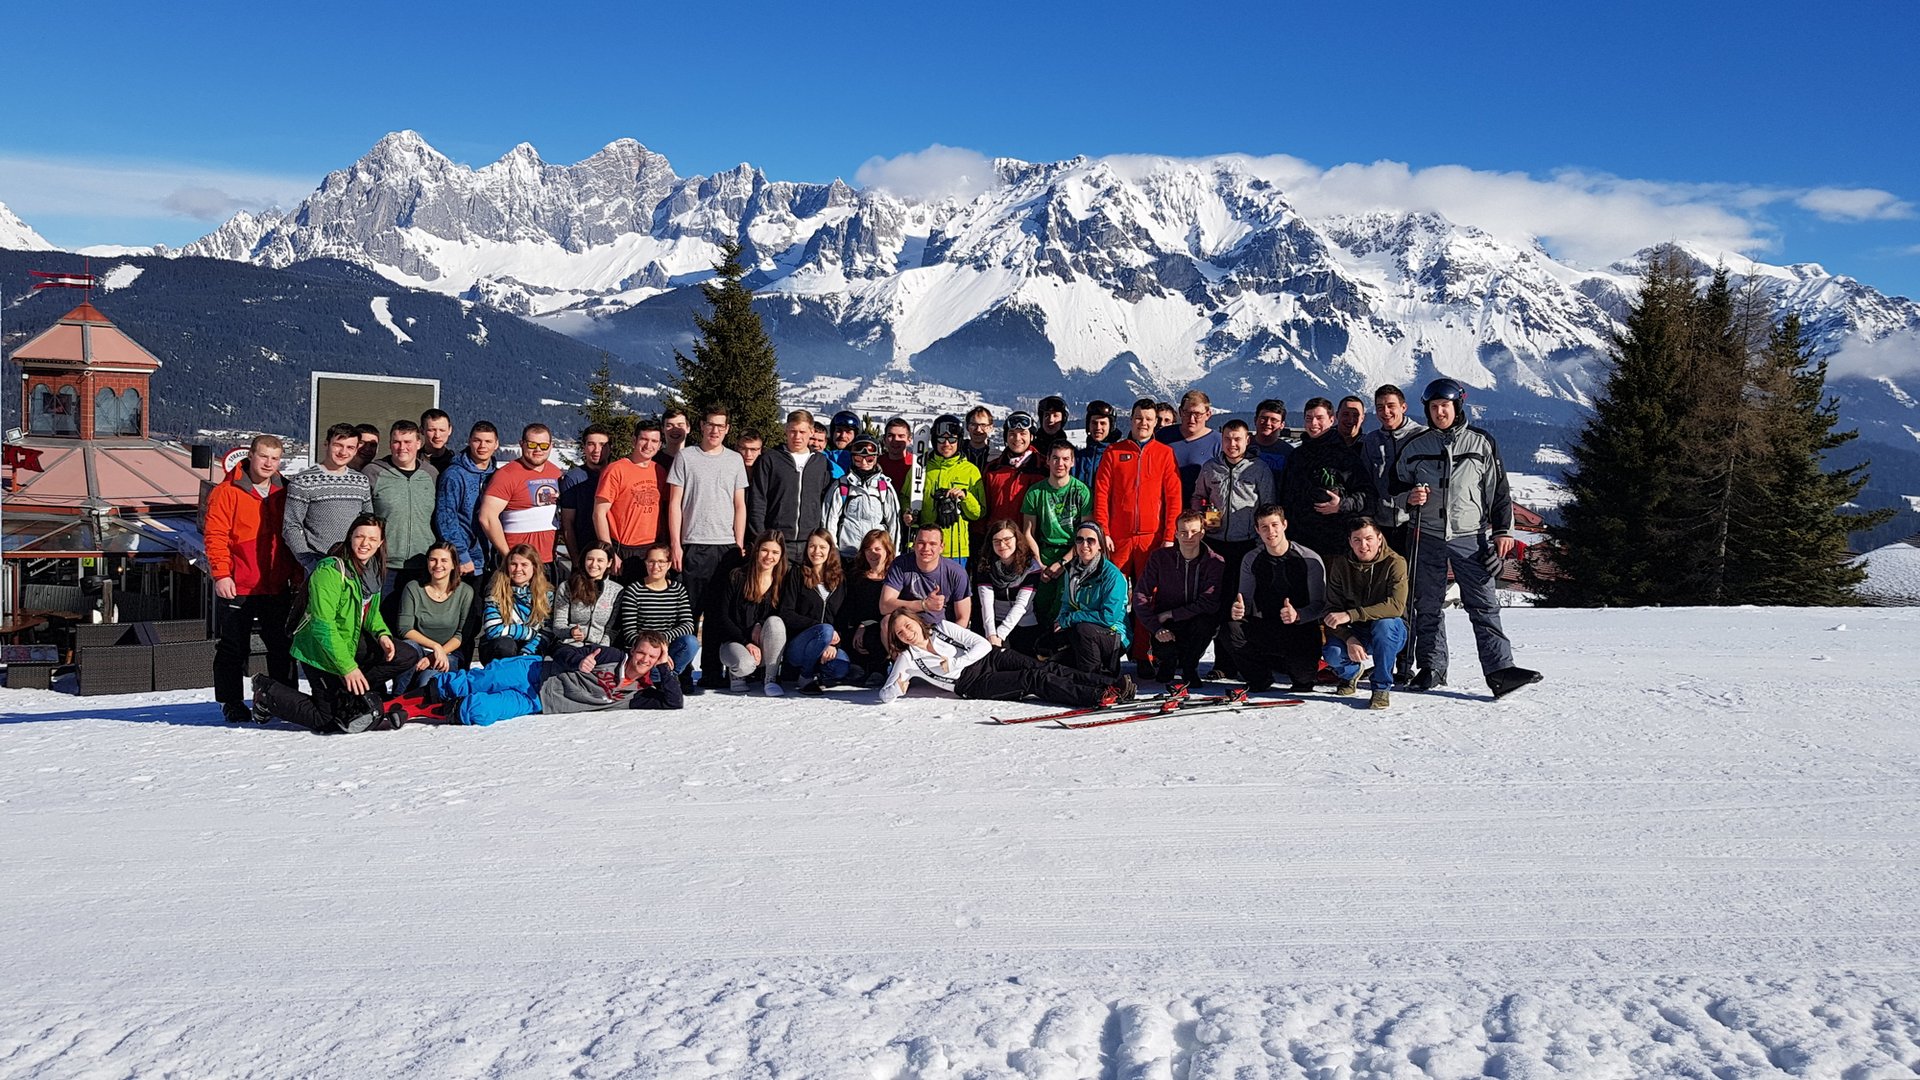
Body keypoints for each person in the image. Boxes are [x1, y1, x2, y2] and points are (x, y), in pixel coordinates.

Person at [1396, 378, 1542, 698]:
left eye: (1445, 406)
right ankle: (1432, 667)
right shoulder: (1416, 447)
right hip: (1426, 535)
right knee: (1427, 605)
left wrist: (1502, 531)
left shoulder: (1481, 443)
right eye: (1434, 407)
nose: (1439, 413)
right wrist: (1409, 497)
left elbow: (1499, 492)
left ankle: (1499, 671)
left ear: (1457, 406)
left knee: (1483, 604)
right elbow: (1395, 488)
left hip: (1470, 537)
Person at [251, 513, 421, 733]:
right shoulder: (330, 571)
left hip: (349, 639)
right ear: (350, 537)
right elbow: (323, 625)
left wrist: (382, 634)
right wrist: (348, 668)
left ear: (380, 543)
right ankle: (267, 692)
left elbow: (371, 613)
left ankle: (349, 693)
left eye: (372, 539)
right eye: (360, 536)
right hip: (319, 648)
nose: (365, 543)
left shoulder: (374, 571)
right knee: (327, 720)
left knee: (406, 655)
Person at [207, 434, 300, 724]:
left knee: (282, 645)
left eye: (275, 458)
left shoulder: (285, 490)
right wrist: (222, 574)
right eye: (263, 457)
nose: (269, 463)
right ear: (251, 455)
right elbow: (215, 536)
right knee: (234, 646)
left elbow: (293, 536)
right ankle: (231, 701)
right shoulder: (227, 491)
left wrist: (297, 576)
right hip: (239, 582)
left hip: (276, 583)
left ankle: (285, 699)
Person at [876, 608, 1130, 709]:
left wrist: (955, 663)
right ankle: (1095, 696)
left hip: (989, 657)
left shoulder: (942, 628)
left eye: (907, 625)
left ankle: (1109, 684)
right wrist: (897, 688)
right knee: (1033, 678)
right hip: (971, 683)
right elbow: (884, 694)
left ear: (916, 621)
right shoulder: (908, 659)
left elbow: (982, 644)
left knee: (1044, 667)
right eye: (900, 633)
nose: (906, 633)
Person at [419, 632, 682, 725]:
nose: (645, 659)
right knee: (475, 681)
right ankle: (411, 701)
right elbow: (560, 650)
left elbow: (673, 702)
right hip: (535, 671)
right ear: (633, 650)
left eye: (652, 657)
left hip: (539, 701)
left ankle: (428, 711)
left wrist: (665, 668)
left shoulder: (638, 694)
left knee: (479, 710)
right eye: (642, 652)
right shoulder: (611, 656)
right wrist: (578, 661)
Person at [668, 409, 750, 689]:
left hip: (725, 548)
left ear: (727, 429)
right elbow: (674, 504)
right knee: (689, 613)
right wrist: (676, 544)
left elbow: (740, 505)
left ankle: (713, 672)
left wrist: (739, 543)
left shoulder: (734, 460)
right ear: (701, 426)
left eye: (720, 426)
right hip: (693, 544)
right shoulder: (686, 457)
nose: (715, 431)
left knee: (718, 614)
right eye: (710, 425)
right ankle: (682, 673)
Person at [1192, 418, 1274, 677]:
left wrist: (1263, 544)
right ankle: (1222, 664)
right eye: (1227, 438)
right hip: (1216, 544)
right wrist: (1202, 512)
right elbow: (1197, 496)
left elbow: (1268, 506)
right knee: (1217, 602)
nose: (1232, 444)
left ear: (1247, 440)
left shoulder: (1258, 469)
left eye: (1237, 439)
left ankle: (1245, 660)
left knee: (1241, 603)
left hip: (1247, 545)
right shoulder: (1211, 468)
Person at [1361, 383, 1426, 682]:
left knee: (1407, 595)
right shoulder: (1371, 441)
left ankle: (1405, 662)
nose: (1385, 412)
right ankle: (1384, 658)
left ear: (1403, 407)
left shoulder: (1421, 437)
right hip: (1381, 527)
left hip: (1412, 525)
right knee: (1381, 593)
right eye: (1380, 407)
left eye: (1391, 406)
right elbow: (1366, 483)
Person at [1225, 504, 1327, 694]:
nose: (1270, 532)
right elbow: (1244, 599)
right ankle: (1260, 677)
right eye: (1264, 527)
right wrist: (1238, 609)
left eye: (1274, 525)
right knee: (1231, 629)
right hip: (1267, 626)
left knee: (1303, 681)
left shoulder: (1308, 558)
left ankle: (1293, 667)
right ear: (1257, 530)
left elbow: (1321, 605)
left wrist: (1298, 615)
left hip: (1300, 628)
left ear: (1284, 525)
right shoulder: (1251, 559)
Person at [1091, 399, 1182, 597]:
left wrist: (1169, 537)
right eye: (1139, 418)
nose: (1144, 423)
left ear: (1155, 422)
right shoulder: (1114, 452)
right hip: (1118, 537)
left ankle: (1144, 620)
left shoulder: (1165, 454)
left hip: (1151, 538)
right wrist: (1103, 531)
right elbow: (1101, 495)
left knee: (1148, 595)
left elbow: (1173, 499)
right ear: (1131, 419)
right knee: (1113, 592)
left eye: (1149, 419)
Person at [1321, 517, 1409, 710]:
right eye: (1357, 540)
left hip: (1391, 630)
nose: (1363, 545)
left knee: (1384, 625)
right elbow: (1331, 610)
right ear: (1350, 542)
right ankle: (1351, 673)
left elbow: (1395, 606)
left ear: (1379, 538)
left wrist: (1351, 615)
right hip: (1356, 630)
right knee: (1333, 653)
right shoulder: (1341, 564)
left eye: (1369, 539)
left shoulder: (1395, 563)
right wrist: (1349, 637)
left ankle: (1381, 687)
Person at [1134, 511, 1225, 688]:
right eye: (1183, 532)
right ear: (1176, 534)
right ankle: (1167, 662)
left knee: (1208, 622)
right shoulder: (1160, 558)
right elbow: (1140, 595)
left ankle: (1190, 667)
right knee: (1164, 648)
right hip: (1166, 623)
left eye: (1194, 532)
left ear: (1202, 533)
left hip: (1194, 621)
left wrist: (1173, 613)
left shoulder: (1214, 562)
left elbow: (1210, 602)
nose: (1188, 537)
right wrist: (1156, 627)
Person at [363, 418, 439, 624]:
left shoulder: (430, 474)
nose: (402, 447)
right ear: (390, 444)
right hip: (384, 564)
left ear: (418, 443)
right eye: (396, 442)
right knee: (381, 622)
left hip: (421, 563)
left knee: (415, 623)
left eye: (407, 442)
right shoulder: (373, 472)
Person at [1278, 397, 1373, 559]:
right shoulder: (1296, 456)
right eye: (1309, 418)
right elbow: (1284, 496)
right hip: (1298, 542)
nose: (1313, 423)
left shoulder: (1345, 457)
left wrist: (1341, 505)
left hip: (1333, 544)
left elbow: (1368, 497)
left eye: (1319, 418)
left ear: (1331, 420)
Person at [282, 422, 373, 573]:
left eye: (350, 447)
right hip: (320, 562)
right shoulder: (303, 481)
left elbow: (369, 521)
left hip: (354, 563)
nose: (343, 452)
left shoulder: (361, 481)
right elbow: (291, 526)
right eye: (338, 445)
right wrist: (308, 562)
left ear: (356, 450)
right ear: (326, 444)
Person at [708, 532, 791, 696]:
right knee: (745, 665)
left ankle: (770, 678)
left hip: (764, 644)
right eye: (765, 550)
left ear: (781, 555)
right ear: (757, 550)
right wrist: (746, 642)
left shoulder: (783, 581)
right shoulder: (737, 576)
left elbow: (784, 614)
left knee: (776, 622)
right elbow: (723, 617)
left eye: (775, 552)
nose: (769, 556)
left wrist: (760, 624)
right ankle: (736, 674)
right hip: (735, 641)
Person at [1045, 521, 1130, 678]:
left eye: (1090, 540)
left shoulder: (1112, 575)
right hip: (1082, 628)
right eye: (1079, 540)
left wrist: (1070, 619)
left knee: (1083, 630)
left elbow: (1108, 617)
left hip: (1113, 634)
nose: (1084, 545)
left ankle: (1098, 678)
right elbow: (1067, 604)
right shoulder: (1071, 571)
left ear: (1100, 545)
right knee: (1049, 644)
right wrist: (1060, 621)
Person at [478, 423, 565, 573]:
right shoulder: (506, 475)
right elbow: (487, 517)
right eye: (532, 444)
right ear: (521, 444)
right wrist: (508, 556)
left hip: (547, 561)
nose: (538, 450)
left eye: (544, 446)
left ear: (551, 446)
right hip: (517, 563)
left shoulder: (555, 473)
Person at [748, 409, 833, 561]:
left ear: (811, 432)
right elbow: (758, 500)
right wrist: (761, 536)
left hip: (810, 542)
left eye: (802, 432)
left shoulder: (820, 462)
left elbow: (824, 500)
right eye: (793, 431)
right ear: (786, 430)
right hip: (776, 540)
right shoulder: (770, 459)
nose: (797, 437)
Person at [611, 544, 699, 690]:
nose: (655, 566)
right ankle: (656, 679)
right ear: (645, 563)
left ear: (669, 564)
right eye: (651, 561)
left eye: (661, 562)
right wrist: (653, 647)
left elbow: (688, 625)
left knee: (691, 642)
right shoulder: (634, 590)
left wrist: (663, 643)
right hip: (643, 651)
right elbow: (629, 632)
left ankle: (667, 678)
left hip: (668, 648)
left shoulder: (678, 590)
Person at [395, 540, 474, 693]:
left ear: (453, 564)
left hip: (449, 653)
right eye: (433, 560)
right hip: (419, 648)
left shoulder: (465, 592)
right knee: (407, 650)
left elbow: (461, 634)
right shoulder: (413, 588)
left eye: (444, 560)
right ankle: (396, 698)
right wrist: (435, 646)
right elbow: (404, 629)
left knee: (426, 683)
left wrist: (436, 654)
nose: (438, 565)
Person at [782, 529, 854, 693]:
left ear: (830, 550)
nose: (816, 551)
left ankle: (819, 674)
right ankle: (806, 677)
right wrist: (820, 629)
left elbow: (844, 619)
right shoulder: (797, 573)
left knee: (841, 668)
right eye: (812, 546)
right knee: (826, 629)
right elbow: (786, 613)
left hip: (828, 643)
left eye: (822, 547)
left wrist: (834, 644)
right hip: (800, 644)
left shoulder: (840, 579)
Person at [594, 421, 666, 584]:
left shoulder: (660, 471)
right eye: (644, 439)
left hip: (652, 549)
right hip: (623, 549)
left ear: (660, 445)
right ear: (634, 440)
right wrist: (609, 552)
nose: (648, 445)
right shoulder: (616, 470)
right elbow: (599, 513)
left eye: (654, 441)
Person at [433, 420, 500, 587]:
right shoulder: (454, 475)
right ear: (469, 442)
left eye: (488, 441)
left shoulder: (497, 476)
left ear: (496, 444)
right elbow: (446, 518)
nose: (482, 446)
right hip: (467, 562)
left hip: (492, 560)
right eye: (477, 440)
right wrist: (461, 555)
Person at [916, 415, 984, 560]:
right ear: (934, 440)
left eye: (952, 439)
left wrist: (965, 496)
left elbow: (978, 513)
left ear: (959, 441)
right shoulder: (920, 468)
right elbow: (906, 497)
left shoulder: (970, 471)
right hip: (925, 548)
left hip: (956, 549)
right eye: (941, 439)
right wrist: (909, 514)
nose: (946, 444)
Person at [972, 518, 1043, 655]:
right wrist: (991, 634)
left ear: (1016, 539)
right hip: (994, 621)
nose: (1002, 545)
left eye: (1007, 539)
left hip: (1024, 621)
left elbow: (1022, 604)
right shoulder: (985, 565)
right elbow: (986, 602)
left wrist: (1001, 634)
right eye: (996, 541)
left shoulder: (1031, 566)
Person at [881, 522, 973, 629]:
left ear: (941, 547)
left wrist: (949, 638)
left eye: (932, 544)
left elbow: (963, 617)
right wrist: (924, 605)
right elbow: (884, 606)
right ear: (914, 544)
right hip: (909, 625)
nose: (926, 548)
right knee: (887, 622)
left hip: (942, 628)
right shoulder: (900, 564)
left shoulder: (956, 572)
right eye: (921, 543)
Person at [823, 434, 903, 557]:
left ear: (876, 458)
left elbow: (894, 523)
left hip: (875, 554)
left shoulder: (884, 487)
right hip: (847, 554)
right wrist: (833, 554)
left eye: (869, 459)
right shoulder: (842, 485)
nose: (864, 463)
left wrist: (893, 555)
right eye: (858, 459)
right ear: (852, 458)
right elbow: (829, 520)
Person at [549, 543, 625, 670]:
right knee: (567, 656)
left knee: (618, 657)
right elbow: (558, 625)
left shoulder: (617, 591)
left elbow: (611, 629)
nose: (594, 564)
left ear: (609, 563)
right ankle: (579, 664)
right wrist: (570, 632)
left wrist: (602, 647)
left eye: (600, 560)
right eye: (590, 559)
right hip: (570, 646)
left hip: (599, 647)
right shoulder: (567, 587)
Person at [836, 528, 895, 683]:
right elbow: (849, 607)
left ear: (887, 551)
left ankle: (879, 670)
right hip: (856, 626)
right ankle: (856, 667)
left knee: (875, 634)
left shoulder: (894, 578)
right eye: (868, 549)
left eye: (877, 549)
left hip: (881, 626)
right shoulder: (855, 576)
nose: (872, 553)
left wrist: (867, 624)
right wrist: (859, 625)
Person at [476, 544, 553, 663]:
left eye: (524, 565)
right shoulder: (495, 592)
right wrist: (529, 632)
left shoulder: (547, 594)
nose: (518, 569)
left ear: (534, 567)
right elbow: (493, 629)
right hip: (499, 646)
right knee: (505, 645)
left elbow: (547, 631)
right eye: (513, 564)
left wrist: (527, 652)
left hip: (531, 645)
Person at [981, 410, 1044, 551]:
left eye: (1023, 433)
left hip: (1031, 544)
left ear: (1031, 436)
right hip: (999, 544)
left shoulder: (1043, 468)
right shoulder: (993, 469)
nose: (1017, 438)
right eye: (1012, 434)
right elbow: (984, 509)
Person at [557, 423, 612, 571]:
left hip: (615, 552)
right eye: (591, 444)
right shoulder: (573, 478)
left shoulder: (617, 474)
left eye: (602, 445)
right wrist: (575, 559)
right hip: (585, 552)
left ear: (610, 448)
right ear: (584, 447)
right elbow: (567, 522)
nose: (597, 450)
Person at [1162, 389, 1223, 503]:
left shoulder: (1219, 443)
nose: (1192, 419)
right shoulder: (1163, 436)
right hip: (1165, 505)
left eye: (1197, 415)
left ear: (1208, 414)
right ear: (1180, 412)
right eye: (1187, 413)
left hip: (1202, 508)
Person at [1072, 399, 1118, 487]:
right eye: (1094, 423)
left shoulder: (1117, 458)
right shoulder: (1077, 459)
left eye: (1103, 423)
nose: (1098, 427)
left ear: (1111, 427)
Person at [1251, 399, 1292, 474]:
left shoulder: (1289, 453)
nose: (1268, 423)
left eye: (1274, 420)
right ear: (1255, 420)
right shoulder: (1242, 447)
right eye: (1263, 418)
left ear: (1282, 425)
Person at [878, 416, 915, 493]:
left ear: (909, 440)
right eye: (891, 436)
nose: (895, 440)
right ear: (884, 439)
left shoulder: (916, 464)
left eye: (901, 436)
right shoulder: (876, 464)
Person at [824, 409, 861, 478]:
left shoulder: (861, 460)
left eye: (848, 432)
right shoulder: (821, 455)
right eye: (839, 431)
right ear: (833, 432)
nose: (843, 436)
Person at [420, 408, 456, 474]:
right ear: (422, 430)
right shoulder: (412, 462)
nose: (437, 435)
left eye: (442, 430)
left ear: (450, 430)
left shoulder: (456, 463)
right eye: (432, 430)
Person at [962, 405, 995, 473]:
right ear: (967, 427)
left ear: (990, 428)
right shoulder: (957, 453)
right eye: (973, 425)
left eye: (983, 425)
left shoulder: (998, 457)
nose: (978, 430)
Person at [657, 407, 691, 473]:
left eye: (680, 425)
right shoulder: (653, 460)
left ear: (688, 429)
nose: (675, 429)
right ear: (662, 429)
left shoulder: (695, 460)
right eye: (669, 425)